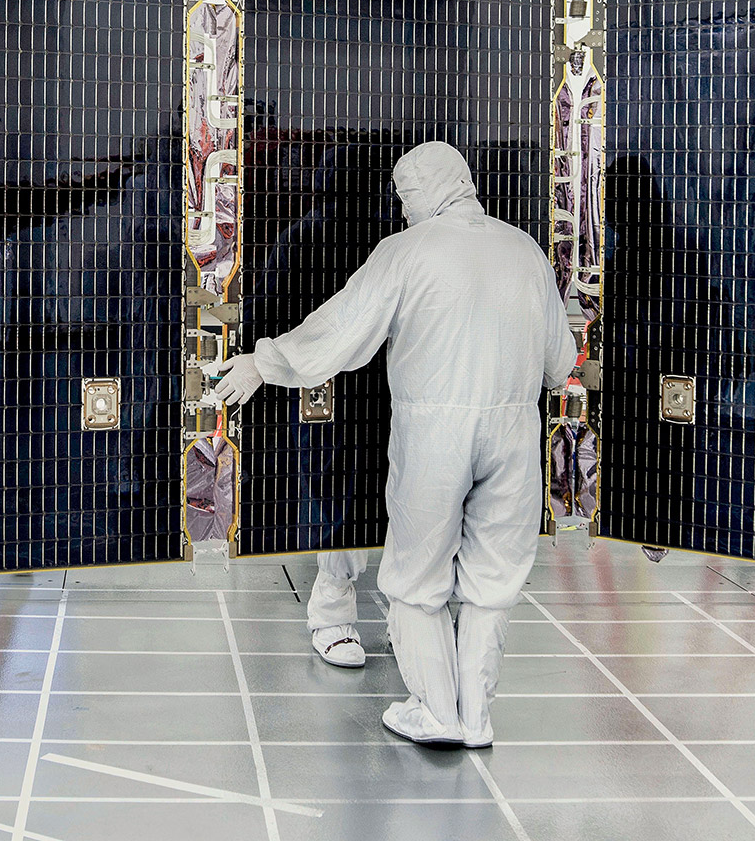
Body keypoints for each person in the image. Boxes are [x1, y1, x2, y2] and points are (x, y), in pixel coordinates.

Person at [206, 141, 577, 747]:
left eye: (406, 195)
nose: (401, 208)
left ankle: (436, 711)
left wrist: (263, 362)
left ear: (425, 190)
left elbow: (341, 329)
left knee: (416, 576)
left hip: (435, 435)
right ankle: (477, 717)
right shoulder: (526, 250)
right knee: (493, 579)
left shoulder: (405, 252)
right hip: (515, 432)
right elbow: (561, 366)